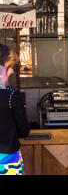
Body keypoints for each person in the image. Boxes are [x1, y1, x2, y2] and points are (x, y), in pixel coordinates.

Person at [0, 44, 30, 175]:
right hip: (7, 162)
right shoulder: (11, 94)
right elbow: (24, 131)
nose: (12, 71)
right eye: (11, 67)